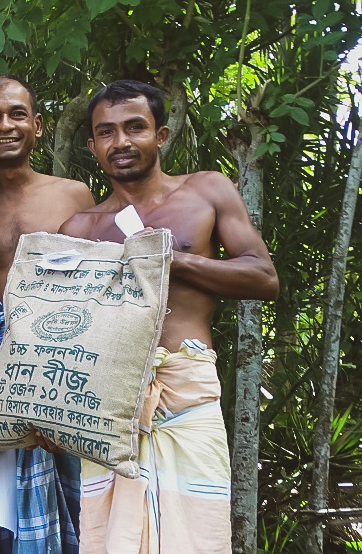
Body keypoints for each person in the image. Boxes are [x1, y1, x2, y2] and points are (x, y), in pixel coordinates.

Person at [57, 80, 279, 554]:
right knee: (112, 537)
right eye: (107, 132)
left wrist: (174, 259)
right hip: (108, 400)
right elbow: (62, 327)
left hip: (187, 389)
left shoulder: (206, 190)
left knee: (196, 535)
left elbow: (263, 277)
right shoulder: (81, 229)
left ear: (161, 134)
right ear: (92, 145)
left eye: (135, 127)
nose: (121, 142)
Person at [0, 75, 94, 554]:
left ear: (37, 126)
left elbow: (97, 290)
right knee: (9, 513)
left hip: (70, 369)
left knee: (81, 498)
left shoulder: (74, 194)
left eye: (17, 114)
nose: (6, 125)